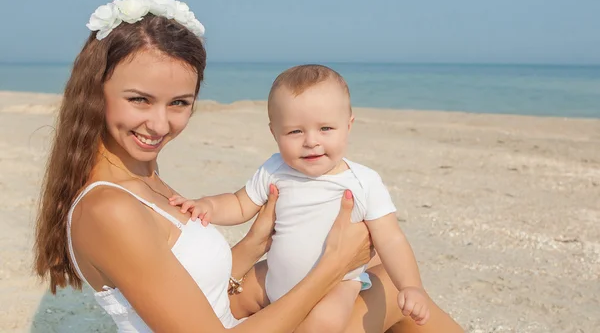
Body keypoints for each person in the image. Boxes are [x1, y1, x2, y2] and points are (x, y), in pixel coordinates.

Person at [33, 0, 464, 332]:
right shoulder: (109, 209)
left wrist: (254, 244)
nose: (160, 124)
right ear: (95, 91)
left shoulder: (143, 176)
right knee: (388, 287)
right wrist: (332, 265)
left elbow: (193, 289)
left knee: (393, 293)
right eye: (139, 100)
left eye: (179, 103)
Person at [169, 64, 429, 333]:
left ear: (348, 126)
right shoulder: (275, 169)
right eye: (295, 132)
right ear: (274, 133)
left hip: (335, 285)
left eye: (326, 128)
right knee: (215, 301)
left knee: (323, 324)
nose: (311, 141)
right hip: (273, 278)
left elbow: (391, 239)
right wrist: (208, 205)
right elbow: (239, 203)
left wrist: (411, 286)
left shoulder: (363, 182)